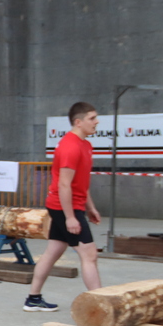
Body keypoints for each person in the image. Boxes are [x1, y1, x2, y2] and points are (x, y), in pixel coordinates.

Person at [26, 102, 102, 311]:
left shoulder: (85, 145)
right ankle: (102, 305)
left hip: (70, 205)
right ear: (78, 122)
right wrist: (70, 217)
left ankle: (33, 299)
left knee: (53, 251)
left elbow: (80, 182)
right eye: (92, 118)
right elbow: (64, 185)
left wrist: (90, 207)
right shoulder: (70, 147)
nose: (96, 122)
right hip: (64, 207)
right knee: (89, 255)